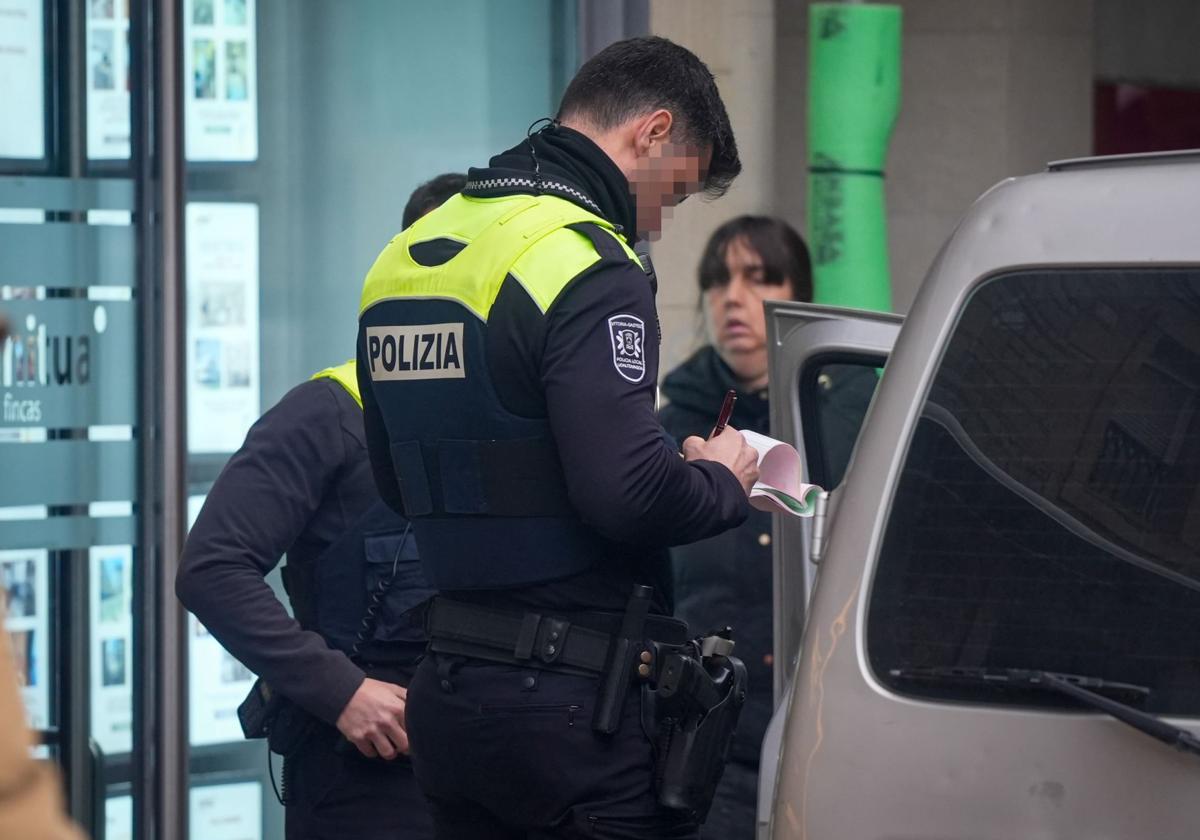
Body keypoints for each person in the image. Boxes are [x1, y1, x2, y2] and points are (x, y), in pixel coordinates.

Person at [356, 36, 760, 840]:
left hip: (450, 696)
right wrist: (721, 480)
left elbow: (399, 483)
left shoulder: (406, 259)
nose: (661, 222)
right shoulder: (584, 262)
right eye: (672, 195)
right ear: (651, 131)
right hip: (575, 712)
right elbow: (629, 493)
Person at [175, 174, 465, 840]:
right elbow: (212, 568)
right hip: (361, 787)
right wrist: (339, 692)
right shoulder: (329, 412)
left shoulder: (511, 421)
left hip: (484, 781)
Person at [658, 215, 812, 839]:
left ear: (800, 293)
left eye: (759, 277)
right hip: (700, 732)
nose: (733, 298)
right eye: (718, 281)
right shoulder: (671, 426)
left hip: (821, 729)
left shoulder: (853, 412)